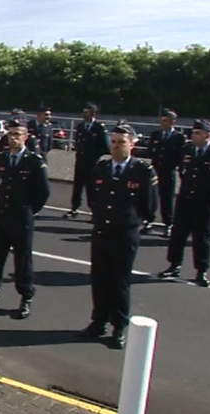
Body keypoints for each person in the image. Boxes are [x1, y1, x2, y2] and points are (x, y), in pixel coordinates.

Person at [80, 122, 158, 350]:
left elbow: (150, 206)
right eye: (113, 142)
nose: (116, 146)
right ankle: (98, 321)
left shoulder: (143, 171)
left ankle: (119, 326)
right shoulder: (101, 167)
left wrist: (131, 222)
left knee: (120, 282)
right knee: (100, 279)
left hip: (125, 234)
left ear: (132, 145)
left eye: (121, 142)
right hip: (102, 231)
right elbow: (93, 198)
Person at [0, 120, 50, 319]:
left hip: (22, 218)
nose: (13, 138)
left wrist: (29, 210)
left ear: (26, 137)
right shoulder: (2, 158)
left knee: (23, 259)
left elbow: (43, 192)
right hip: (3, 215)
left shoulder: (34, 161)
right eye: (10, 134)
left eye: (18, 134)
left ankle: (25, 295)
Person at [157, 120, 210, 288]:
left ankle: (201, 270)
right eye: (193, 133)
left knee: (201, 236)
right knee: (178, 234)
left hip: (205, 201)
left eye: (198, 133)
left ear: (208, 135)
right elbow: (183, 172)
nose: (194, 136)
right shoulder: (187, 149)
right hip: (185, 198)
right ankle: (174, 265)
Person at [65, 103, 109, 219]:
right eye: (83, 112)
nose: (84, 115)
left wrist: (94, 155)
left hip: (92, 163)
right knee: (77, 186)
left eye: (87, 112)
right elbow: (78, 142)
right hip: (80, 161)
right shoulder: (80, 127)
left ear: (93, 114)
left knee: (92, 188)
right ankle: (74, 208)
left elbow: (105, 146)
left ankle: (94, 211)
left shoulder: (99, 128)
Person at [147, 109, 186, 238]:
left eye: (165, 120)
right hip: (156, 169)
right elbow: (150, 151)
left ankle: (168, 224)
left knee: (167, 200)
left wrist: (179, 169)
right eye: (161, 120)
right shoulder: (156, 135)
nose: (162, 123)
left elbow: (181, 156)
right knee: (151, 197)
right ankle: (148, 220)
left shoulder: (179, 137)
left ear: (172, 122)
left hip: (169, 171)